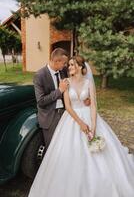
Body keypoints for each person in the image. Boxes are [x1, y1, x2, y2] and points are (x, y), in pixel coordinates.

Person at [29, 55, 134, 197]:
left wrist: (93, 126)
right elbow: (68, 107)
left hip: (89, 118)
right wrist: (81, 124)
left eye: (72, 65)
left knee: (100, 156)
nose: (69, 67)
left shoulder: (89, 83)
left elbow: (93, 106)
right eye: (69, 65)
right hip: (72, 120)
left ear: (81, 67)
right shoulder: (65, 82)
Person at [33, 48, 69, 150]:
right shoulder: (40, 75)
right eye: (64, 63)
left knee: (65, 145)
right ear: (56, 61)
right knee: (52, 149)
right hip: (50, 117)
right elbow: (41, 101)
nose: (65, 65)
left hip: (65, 114)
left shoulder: (63, 71)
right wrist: (59, 91)